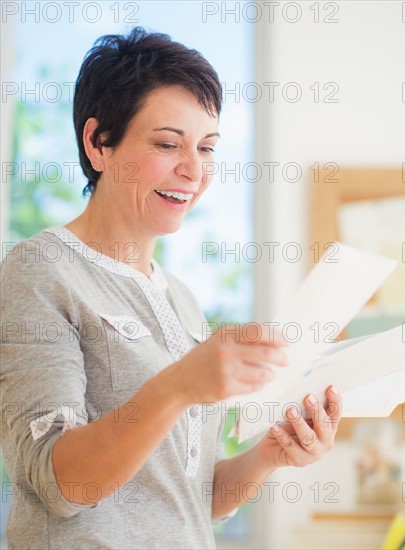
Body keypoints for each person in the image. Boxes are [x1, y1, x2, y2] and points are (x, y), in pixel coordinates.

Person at [0, 27, 342, 549]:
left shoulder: (179, 298)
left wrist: (268, 455)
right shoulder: (39, 272)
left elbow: (186, 500)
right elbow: (60, 482)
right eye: (166, 144)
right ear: (98, 144)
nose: (193, 170)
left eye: (206, 148)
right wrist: (179, 385)